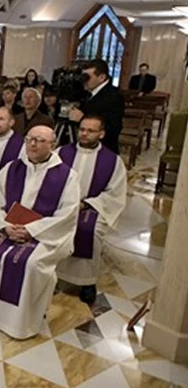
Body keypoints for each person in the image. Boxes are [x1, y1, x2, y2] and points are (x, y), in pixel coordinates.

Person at [0, 125, 80, 339]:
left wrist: (31, 230)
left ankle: (20, 322)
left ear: (52, 145)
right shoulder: (10, 169)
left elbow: (67, 215)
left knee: (31, 263)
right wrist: (5, 226)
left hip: (43, 236)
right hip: (7, 227)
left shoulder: (68, 177)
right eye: (29, 139)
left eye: (39, 140)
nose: (33, 144)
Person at [56, 115, 127, 304]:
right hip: (62, 205)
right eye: (82, 129)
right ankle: (52, 274)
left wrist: (86, 204)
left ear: (101, 134)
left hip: (92, 207)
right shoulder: (62, 153)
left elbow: (114, 194)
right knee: (53, 227)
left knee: (91, 231)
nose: (84, 134)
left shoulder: (113, 161)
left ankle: (87, 282)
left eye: (91, 131)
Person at [69, 59, 125, 154]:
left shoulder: (113, 96)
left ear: (101, 77)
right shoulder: (88, 93)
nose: (84, 81)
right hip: (85, 147)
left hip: (103, 150)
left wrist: (82, 119)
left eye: (87, 77)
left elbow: (113, 129)